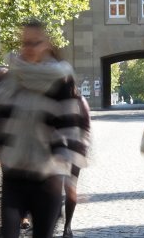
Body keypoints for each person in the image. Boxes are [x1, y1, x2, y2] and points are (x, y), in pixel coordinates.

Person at [0, 21, 90, 238]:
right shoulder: (9, 83)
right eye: (25, 43)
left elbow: (71, 128)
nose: (29, 48)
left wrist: (70, 180)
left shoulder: (60, 82)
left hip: (48, 178)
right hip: (13, 175)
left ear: (46, 45)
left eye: (35, 43)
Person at [62, 91, 90, 238]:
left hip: (69, 149)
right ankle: (65, 226)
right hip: (66, 149)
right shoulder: (79, 100)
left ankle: (66, 225)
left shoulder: (79, 101)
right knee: (65, 188)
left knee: (66, 187)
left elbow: (86, 126)